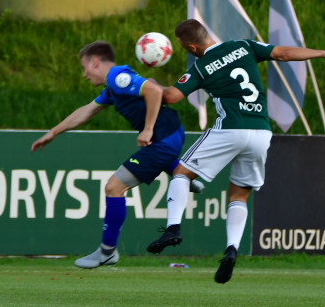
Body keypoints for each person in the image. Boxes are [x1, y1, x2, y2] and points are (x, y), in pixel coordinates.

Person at [149, 19, 325, 283]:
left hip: (230, 128)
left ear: (192, 47)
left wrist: (149, 86)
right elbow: (283, 53)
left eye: (185, 47)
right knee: (239, 195)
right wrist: (323, 53)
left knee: (182, 173)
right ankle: (231, 250)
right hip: (261, 132)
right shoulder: (243, 46)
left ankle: (173, 227)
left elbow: (171, 96)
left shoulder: (202, 66)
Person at [31, 40, 203, 269]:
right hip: (170, 135)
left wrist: (148, 128)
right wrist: (53, 132)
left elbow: (152, 90)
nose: (84, 75)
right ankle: (183, 176)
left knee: (113, 187)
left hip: (163, 138)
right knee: (134, 170)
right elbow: (86, 111)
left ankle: (107, 252)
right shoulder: (112, 88)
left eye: (84, 68)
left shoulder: (117, 78)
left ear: (94, 62)